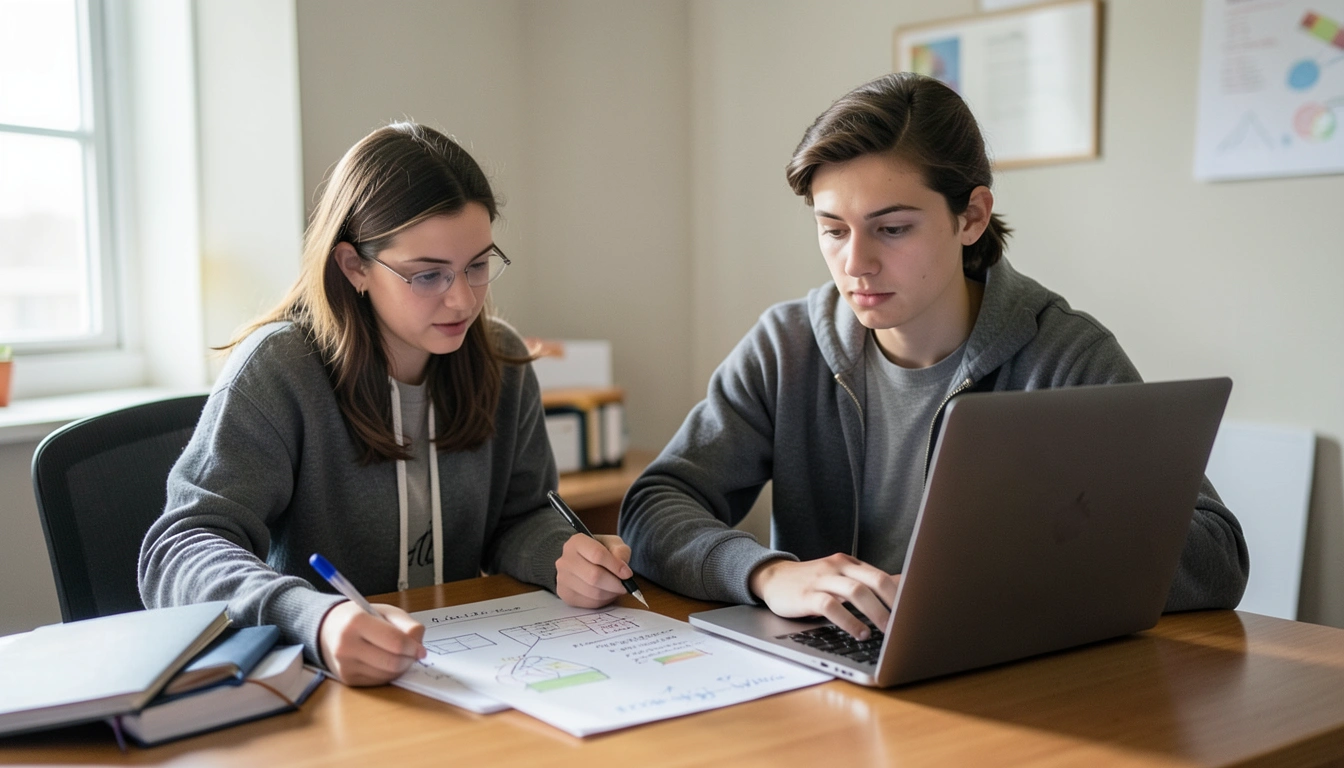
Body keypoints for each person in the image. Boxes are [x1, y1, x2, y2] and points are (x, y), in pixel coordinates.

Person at [619, 73, 1249, 641]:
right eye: (833, 229)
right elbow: (654, 507)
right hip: (827, 676)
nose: (855, 263)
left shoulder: (1064, 355)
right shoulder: (787, 346)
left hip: (1003, 675)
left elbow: (1214, 555)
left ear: (972, 216)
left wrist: (999, 575)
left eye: (892, 229)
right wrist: (767, 574)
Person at [139, 123, 635, 686]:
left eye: (477, 265)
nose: (463, 299)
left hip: (459, 669)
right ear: (354, 267)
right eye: (428, 275)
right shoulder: (279, 370)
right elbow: (179, 549)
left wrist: (562, 554)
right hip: (317, 684)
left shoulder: (500, 359)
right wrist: (316, 618)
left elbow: (519, 518)